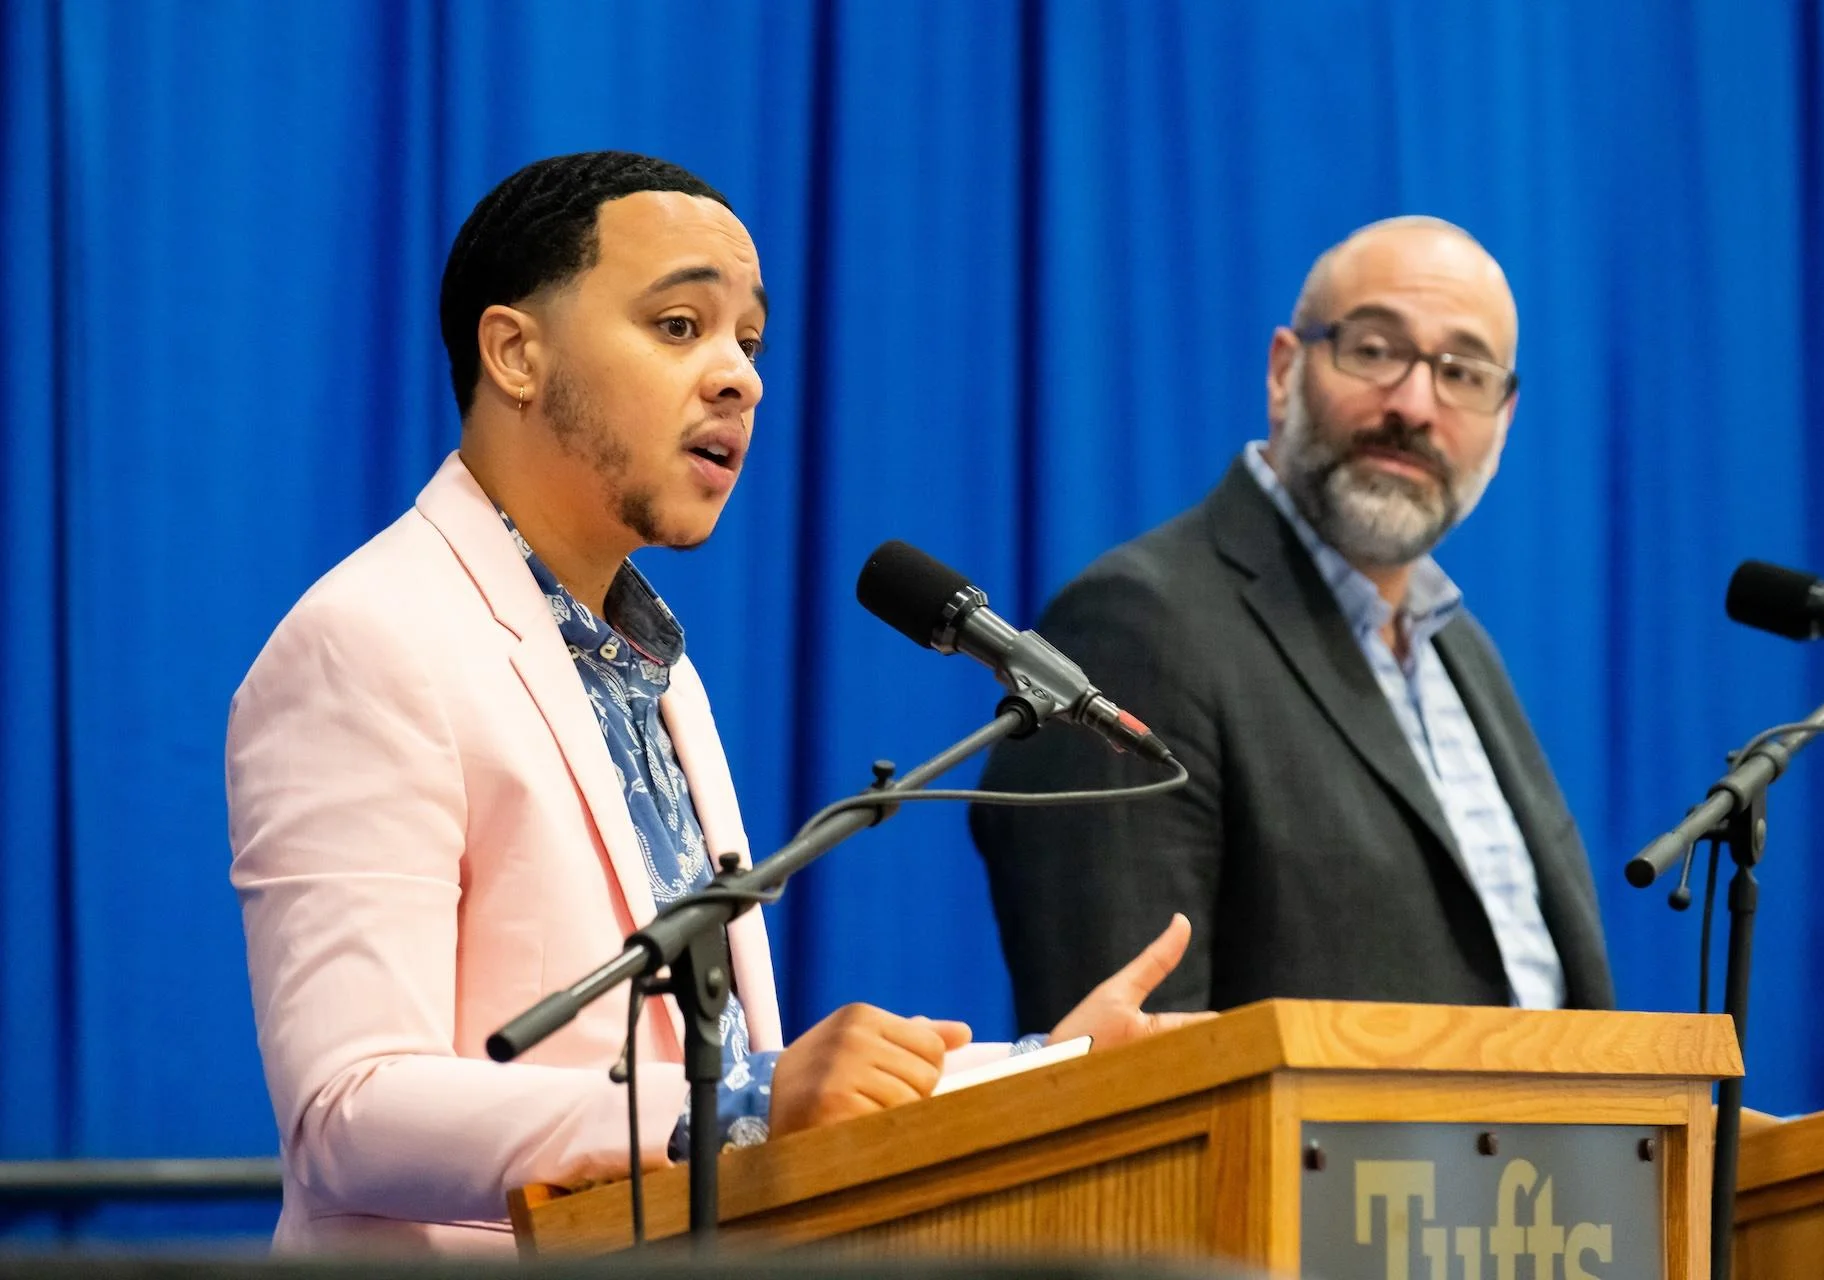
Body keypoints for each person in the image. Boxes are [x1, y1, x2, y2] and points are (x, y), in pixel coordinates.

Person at [227, 151, 1198, 1254]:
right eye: (682, 325)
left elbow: (734, 1076)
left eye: (750, 341)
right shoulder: (369, 642)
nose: (741, 377)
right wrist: (740, 1108)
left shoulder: (660, 666)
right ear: (514, 353)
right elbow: (347, 1113)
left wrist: (1051, 1069)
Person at [969, 216, 1614, 1035]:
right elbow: (1124, 1068)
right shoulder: (1135, 629)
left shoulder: (1461, 651)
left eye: (1463, 372)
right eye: (1376, 350)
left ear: (1504, 417)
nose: (1415, 405)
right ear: (1284, 371)